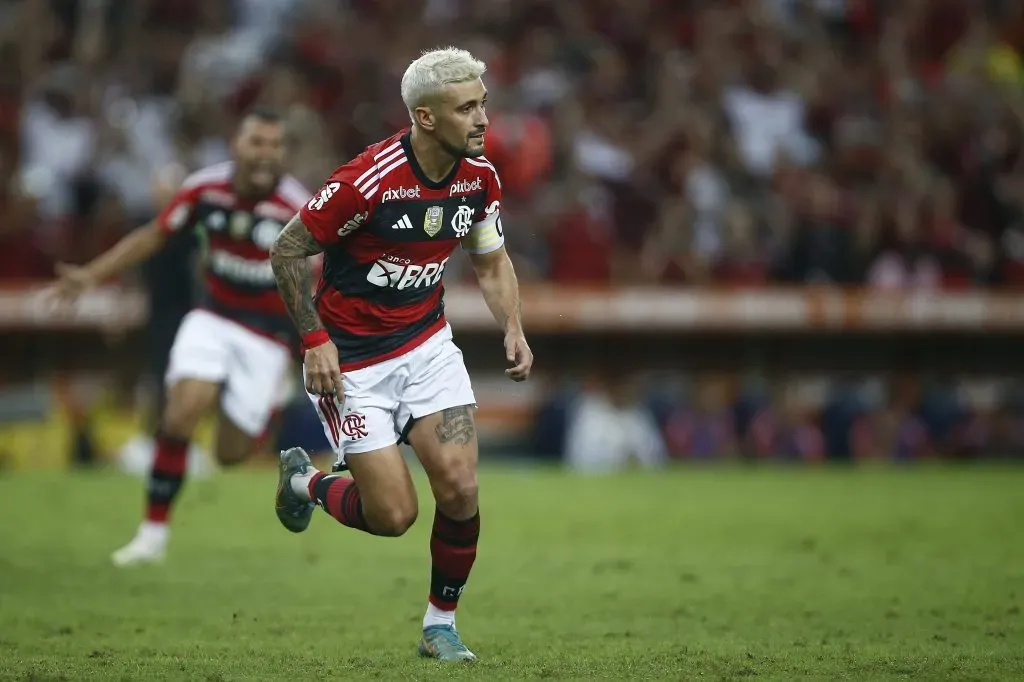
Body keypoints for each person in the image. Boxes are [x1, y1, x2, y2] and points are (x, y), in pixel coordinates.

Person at [269, 47, 533, 662]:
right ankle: (304, 480)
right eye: (466, 108)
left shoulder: (479, 178)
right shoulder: (365, 182)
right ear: (425, 117)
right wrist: (314, 341)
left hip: (427, 348)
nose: (483, 119)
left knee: (462, 486)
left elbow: (491, 261)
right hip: (351, 366)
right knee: (392, 516)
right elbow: (286, 250)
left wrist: (513, 328)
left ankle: (440, 625)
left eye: (483, 104)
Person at [47, 109, 310, 566]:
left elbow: (320, 278)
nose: (265, 154)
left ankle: (269, 403)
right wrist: (90, 275)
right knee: (181, 412)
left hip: (266, 337)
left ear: (283, 152)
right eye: (256, 143)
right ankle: (151, 536)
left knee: (231, 455)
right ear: (236, 146)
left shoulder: (297, 207)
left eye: (274, 145)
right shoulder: (205, 189)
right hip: (213, 317)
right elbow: (154, 234)